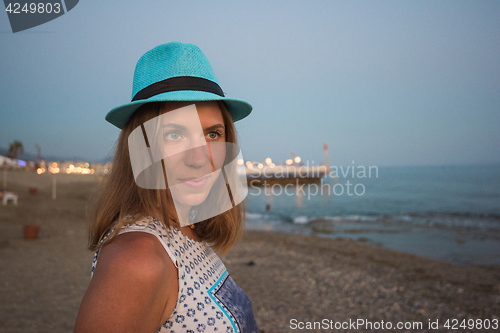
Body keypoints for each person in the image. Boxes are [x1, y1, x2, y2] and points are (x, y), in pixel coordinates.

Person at [74, 42, 258, 333]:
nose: (200, 158)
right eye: (174, 134)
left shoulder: (183, 227)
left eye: (212, 134)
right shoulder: (137, 260)